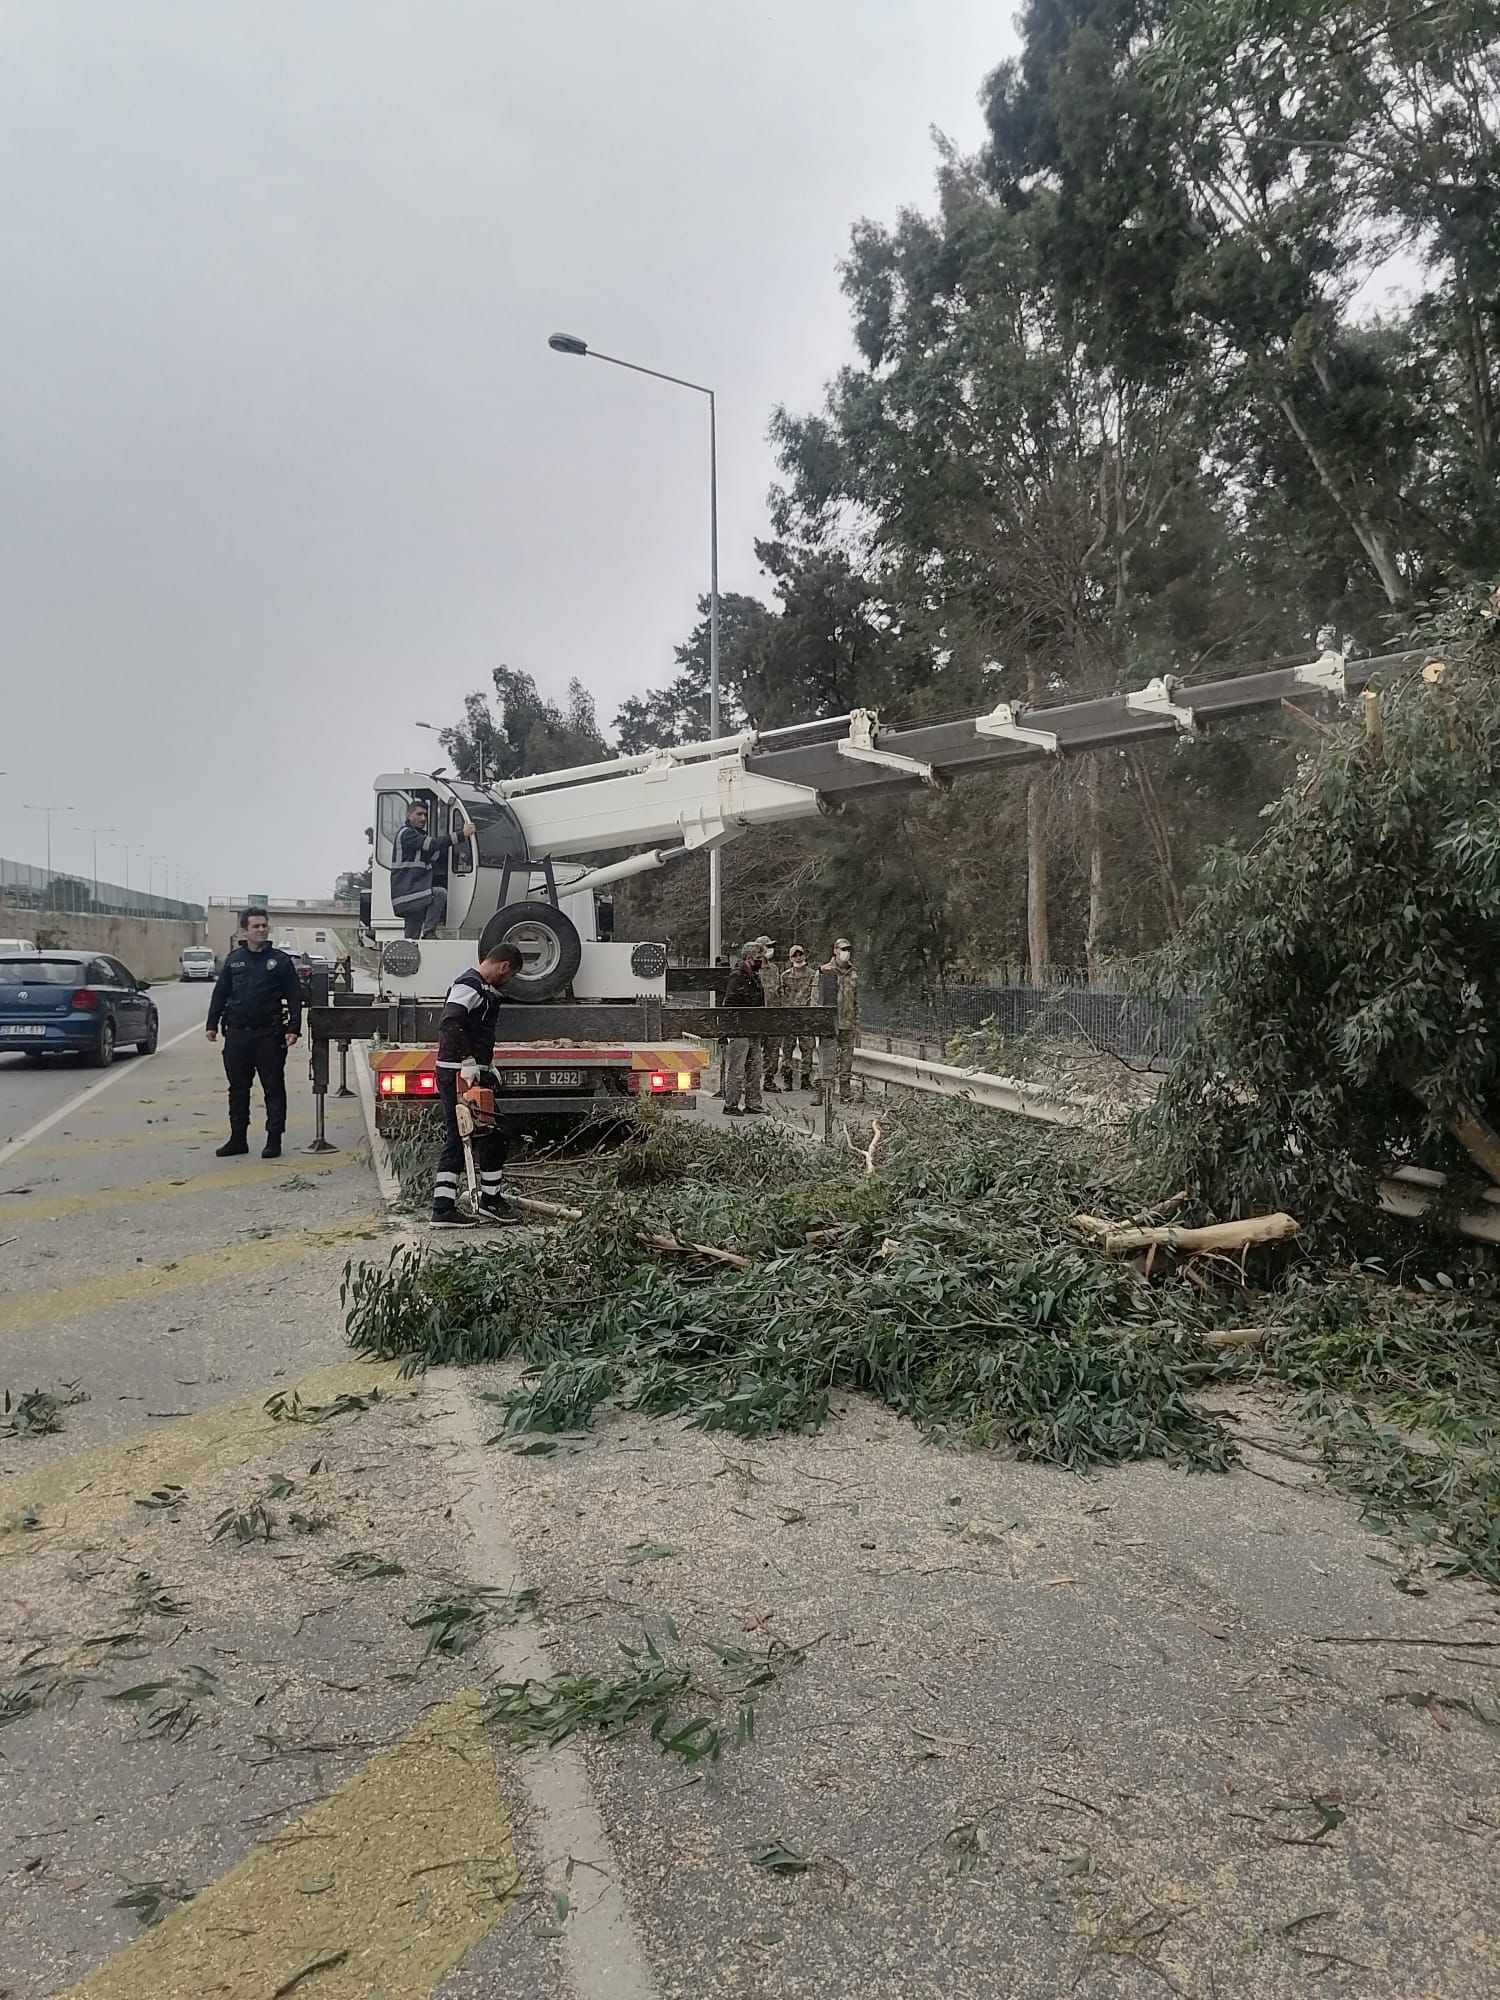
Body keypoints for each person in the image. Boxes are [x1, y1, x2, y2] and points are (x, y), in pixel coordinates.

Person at [431, 939, 525, 1226]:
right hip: (458, 1075)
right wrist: (468, 1060)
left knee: (494, 1133)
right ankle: (444, 1208)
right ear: (504, 966)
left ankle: (490, 1198)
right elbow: (450, 1023)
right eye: (510, 975)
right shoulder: (468, 987)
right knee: (461, 1137)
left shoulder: (483, 990)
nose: (508, 981)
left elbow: (474, 1029)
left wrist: (486, 1063)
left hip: (472, 1073)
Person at [206, 908, 304, 1158]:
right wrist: (211, 1023)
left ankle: (274, 1139)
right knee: (238, 1089)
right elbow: (220, 993)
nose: (261, 930)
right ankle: (238, 1138)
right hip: (238, 1034)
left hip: (268, 1035)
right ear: (245, 930)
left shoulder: (280, 961)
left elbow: (294, 995)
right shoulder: (234, 960)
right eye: (256, 926)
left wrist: (294, 1027)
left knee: (273, 1088)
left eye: (264, 926)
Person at [392, 799, 475, 940]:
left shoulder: (418, 836)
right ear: (408, 815)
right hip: (409, 891)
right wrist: (461, 834)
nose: (423, 818)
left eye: (425, 815)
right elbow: (433, 845)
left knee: (411, 937)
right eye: (419, 814)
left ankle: (412, 954)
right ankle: (429, 933)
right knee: (439, 894)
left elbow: (436, 852)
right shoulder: (407, 834)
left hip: (412, 892)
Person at [721, 939, 766, 1117]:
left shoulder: (754, 976)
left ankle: (753, 1102)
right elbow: (731, 1002)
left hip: (753, 1028)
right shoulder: (738, 975)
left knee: (755, 1067)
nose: (760, 961)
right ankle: (731, 1103)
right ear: (749, 958)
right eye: (758, 957)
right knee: (737, 1069)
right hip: (740, 1029)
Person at [821, 935, 860, 1103]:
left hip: (848, 1023)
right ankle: (823, 1091)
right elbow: (817, 998)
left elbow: (856, 1000)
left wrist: (857, 1022)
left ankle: (845, 1091)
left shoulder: (853, 974)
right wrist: (819, 1021)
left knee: (846, 1060)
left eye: (848, 950)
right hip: (830, 1023)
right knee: (827, 1058)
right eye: (843, 949)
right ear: (835, 951)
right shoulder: (825, 971)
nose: (846, 953)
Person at [778, 943, 816, 1089]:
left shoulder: (812, 975)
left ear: (804, 955)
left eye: (800, 954)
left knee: (808, 1048)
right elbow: (781, 996)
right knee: (787, 1049)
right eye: (795, 955)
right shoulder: (785, 976)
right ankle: (788, 1079)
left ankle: (805, 1079)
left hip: (806, 1018)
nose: (798, 957)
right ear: (790, 958)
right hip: (790, 1017)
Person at [757, 937, 783, 1092]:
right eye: (768, 946)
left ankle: (769, 1080)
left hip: (772, 1016)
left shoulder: (774, 970)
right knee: (752, 1051)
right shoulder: (752, 968)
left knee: (772, 1051)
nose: (771, 949)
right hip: (756, 1016)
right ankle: (749, 1080)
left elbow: (779, 992)